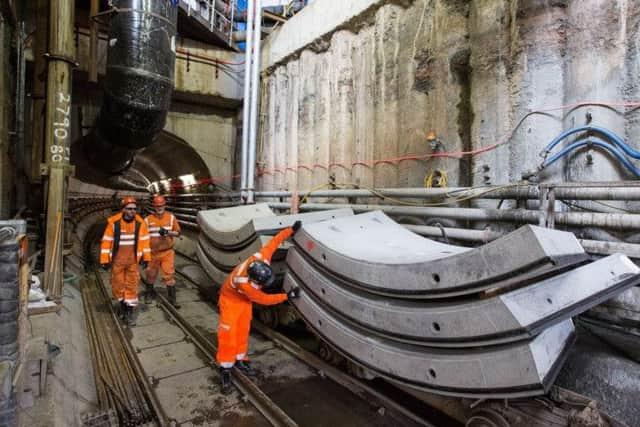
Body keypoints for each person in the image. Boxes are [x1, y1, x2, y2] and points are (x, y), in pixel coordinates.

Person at [217, 221, 302, 394]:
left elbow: (275, 241)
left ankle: (240, 359)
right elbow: (264, 299)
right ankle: (225, 369)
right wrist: (287, 296)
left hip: (243, 302)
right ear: (255, 280)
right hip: (230, 301)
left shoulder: (261, 258)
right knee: (228, 335)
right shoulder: (245, 284)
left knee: (242, 331)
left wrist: (291, 230)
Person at [100, 197, 151, 326]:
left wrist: (146, 258)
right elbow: (106, 241)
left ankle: (129, 311)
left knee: (131, 285)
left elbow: (145, 242)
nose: (132, 211)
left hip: (132, 262)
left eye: (134, 209)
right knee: (117, 285)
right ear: (123, 209)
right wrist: (104, 260)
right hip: (118, 261)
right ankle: (122, 304)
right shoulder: (114, 223)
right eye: (129, 209)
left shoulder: (140, 223)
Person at [143, 195, 181, 307]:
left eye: (161, 205)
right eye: (157, 206)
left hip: (167, 252)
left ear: (165, 205)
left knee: (169, 275)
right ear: (154, 207)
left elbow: (178, 233)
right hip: (152, 253)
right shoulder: (147, 220)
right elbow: (143, 237)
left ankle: (172, 299)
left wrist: (168, 232)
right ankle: (148, 294)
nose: (159, 208)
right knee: (150, 274)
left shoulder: (171, 218)